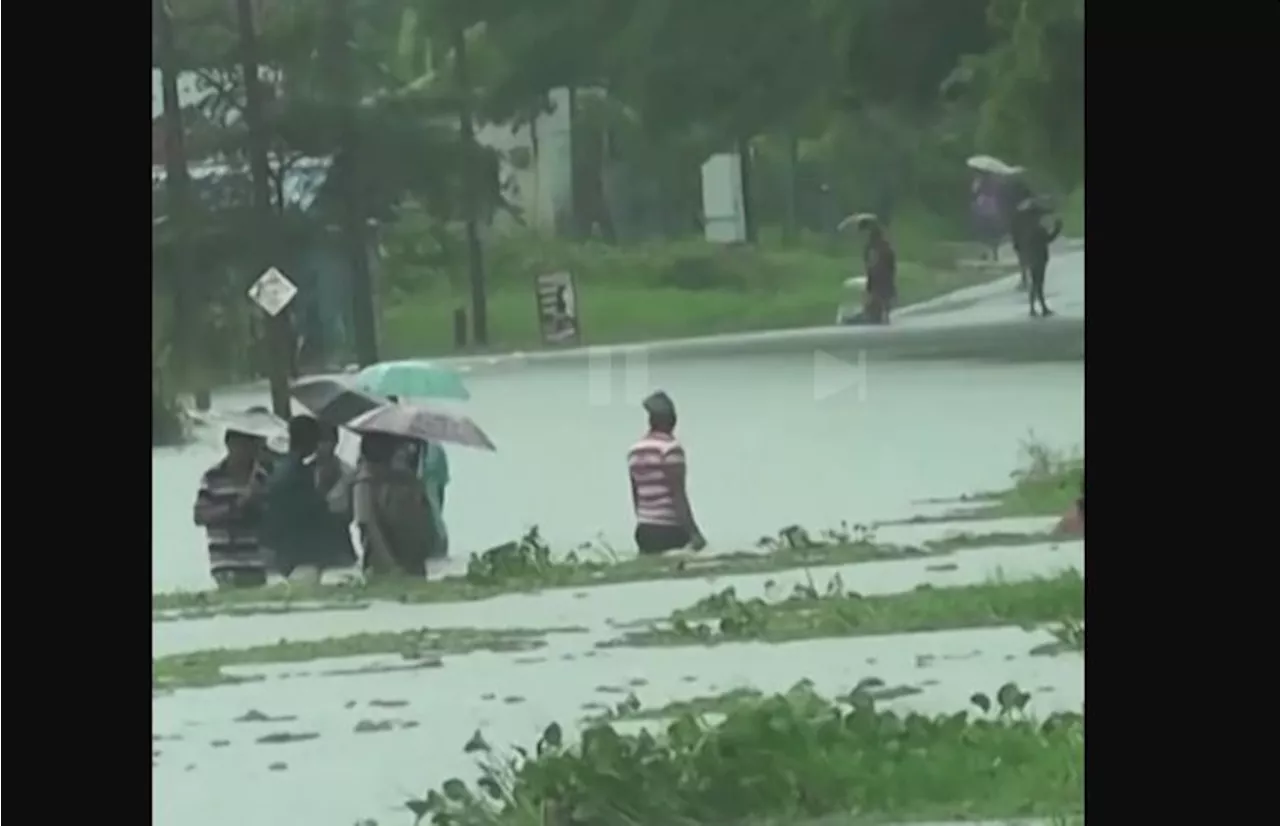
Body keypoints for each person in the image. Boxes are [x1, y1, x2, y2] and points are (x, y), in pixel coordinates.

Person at [260, 415, 356, 585]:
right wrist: (323, 493)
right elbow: (304, 511)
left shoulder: (286, 468)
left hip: (295, 550)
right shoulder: (295, 473)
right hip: (299, 552)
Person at [628, 391, 706, 555]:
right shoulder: (671, 450)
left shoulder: (635, 451)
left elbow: (636, 496)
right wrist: (694, 533)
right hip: (670, 530)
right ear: (671, 420)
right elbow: (678, 495)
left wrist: (645, 520)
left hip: (644, 529)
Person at [193, 427, 271, 590]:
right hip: (224, 561)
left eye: (249, 446)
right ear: (229, 445)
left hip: (256, 560)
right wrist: (234, 506)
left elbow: (271, 519)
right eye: (240, 445)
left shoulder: (262, 478)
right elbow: (200, 516)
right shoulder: (213, 477)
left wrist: (256, 503)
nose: (245, 451)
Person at [352, 432, 439, 577]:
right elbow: (368, 525)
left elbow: (426, 525)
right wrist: (390, 564)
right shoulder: (367, 484)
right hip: (389, 567)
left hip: (404, 564)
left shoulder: (407, 483)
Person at [313, 421, 358, 562]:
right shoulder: (304, 471)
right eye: (320, 441)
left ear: (336, 442)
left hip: (340, 542)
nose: (323, 446)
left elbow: (351, 513)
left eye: (327, 440)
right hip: (311, 542)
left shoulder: (348, 473)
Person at [1012, 200, 1063, 318]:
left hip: (1029, 258)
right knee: (1038, 283)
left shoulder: (1022, 229)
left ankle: (1033, 308)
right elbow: (1048, 239)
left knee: (1034, 283)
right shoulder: (1038, 229)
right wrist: (1057, 229)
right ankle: (1042, 308)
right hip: (1039, 258)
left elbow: (1017, 245)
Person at [859, 215, 897, 324]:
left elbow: (883, 269)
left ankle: (878, 315)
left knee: (877, 313)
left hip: (880, 285)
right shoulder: (878, 247)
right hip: (880, 285)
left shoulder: (879, 248)